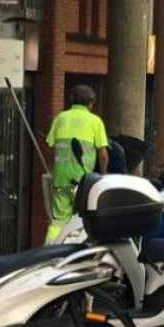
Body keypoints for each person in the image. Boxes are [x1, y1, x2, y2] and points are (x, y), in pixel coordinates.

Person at [45, 84, 108, 242]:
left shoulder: (60, 118)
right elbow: (103, 155)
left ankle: (49, 248)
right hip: (84, 182)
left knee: (58, 221)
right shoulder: (95, 121)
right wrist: (103, 174)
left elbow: (50, 146)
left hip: (61, 179)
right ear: (91, 103)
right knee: (83, 220)